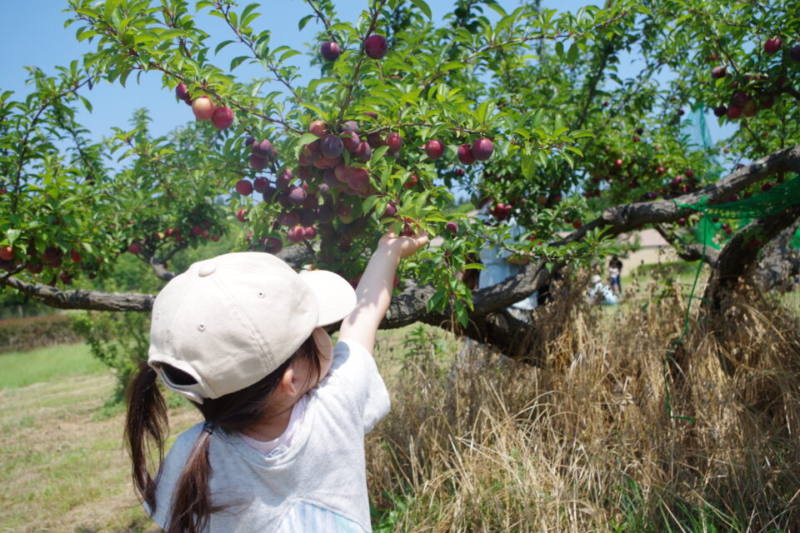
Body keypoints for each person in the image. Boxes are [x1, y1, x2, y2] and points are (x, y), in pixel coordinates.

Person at [125, 230, 429, 533]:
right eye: (317, 329)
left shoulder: (192, 456)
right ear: (291, 380)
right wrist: (387, 253)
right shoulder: (335, 407)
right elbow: (363, 318)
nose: (327, 334)